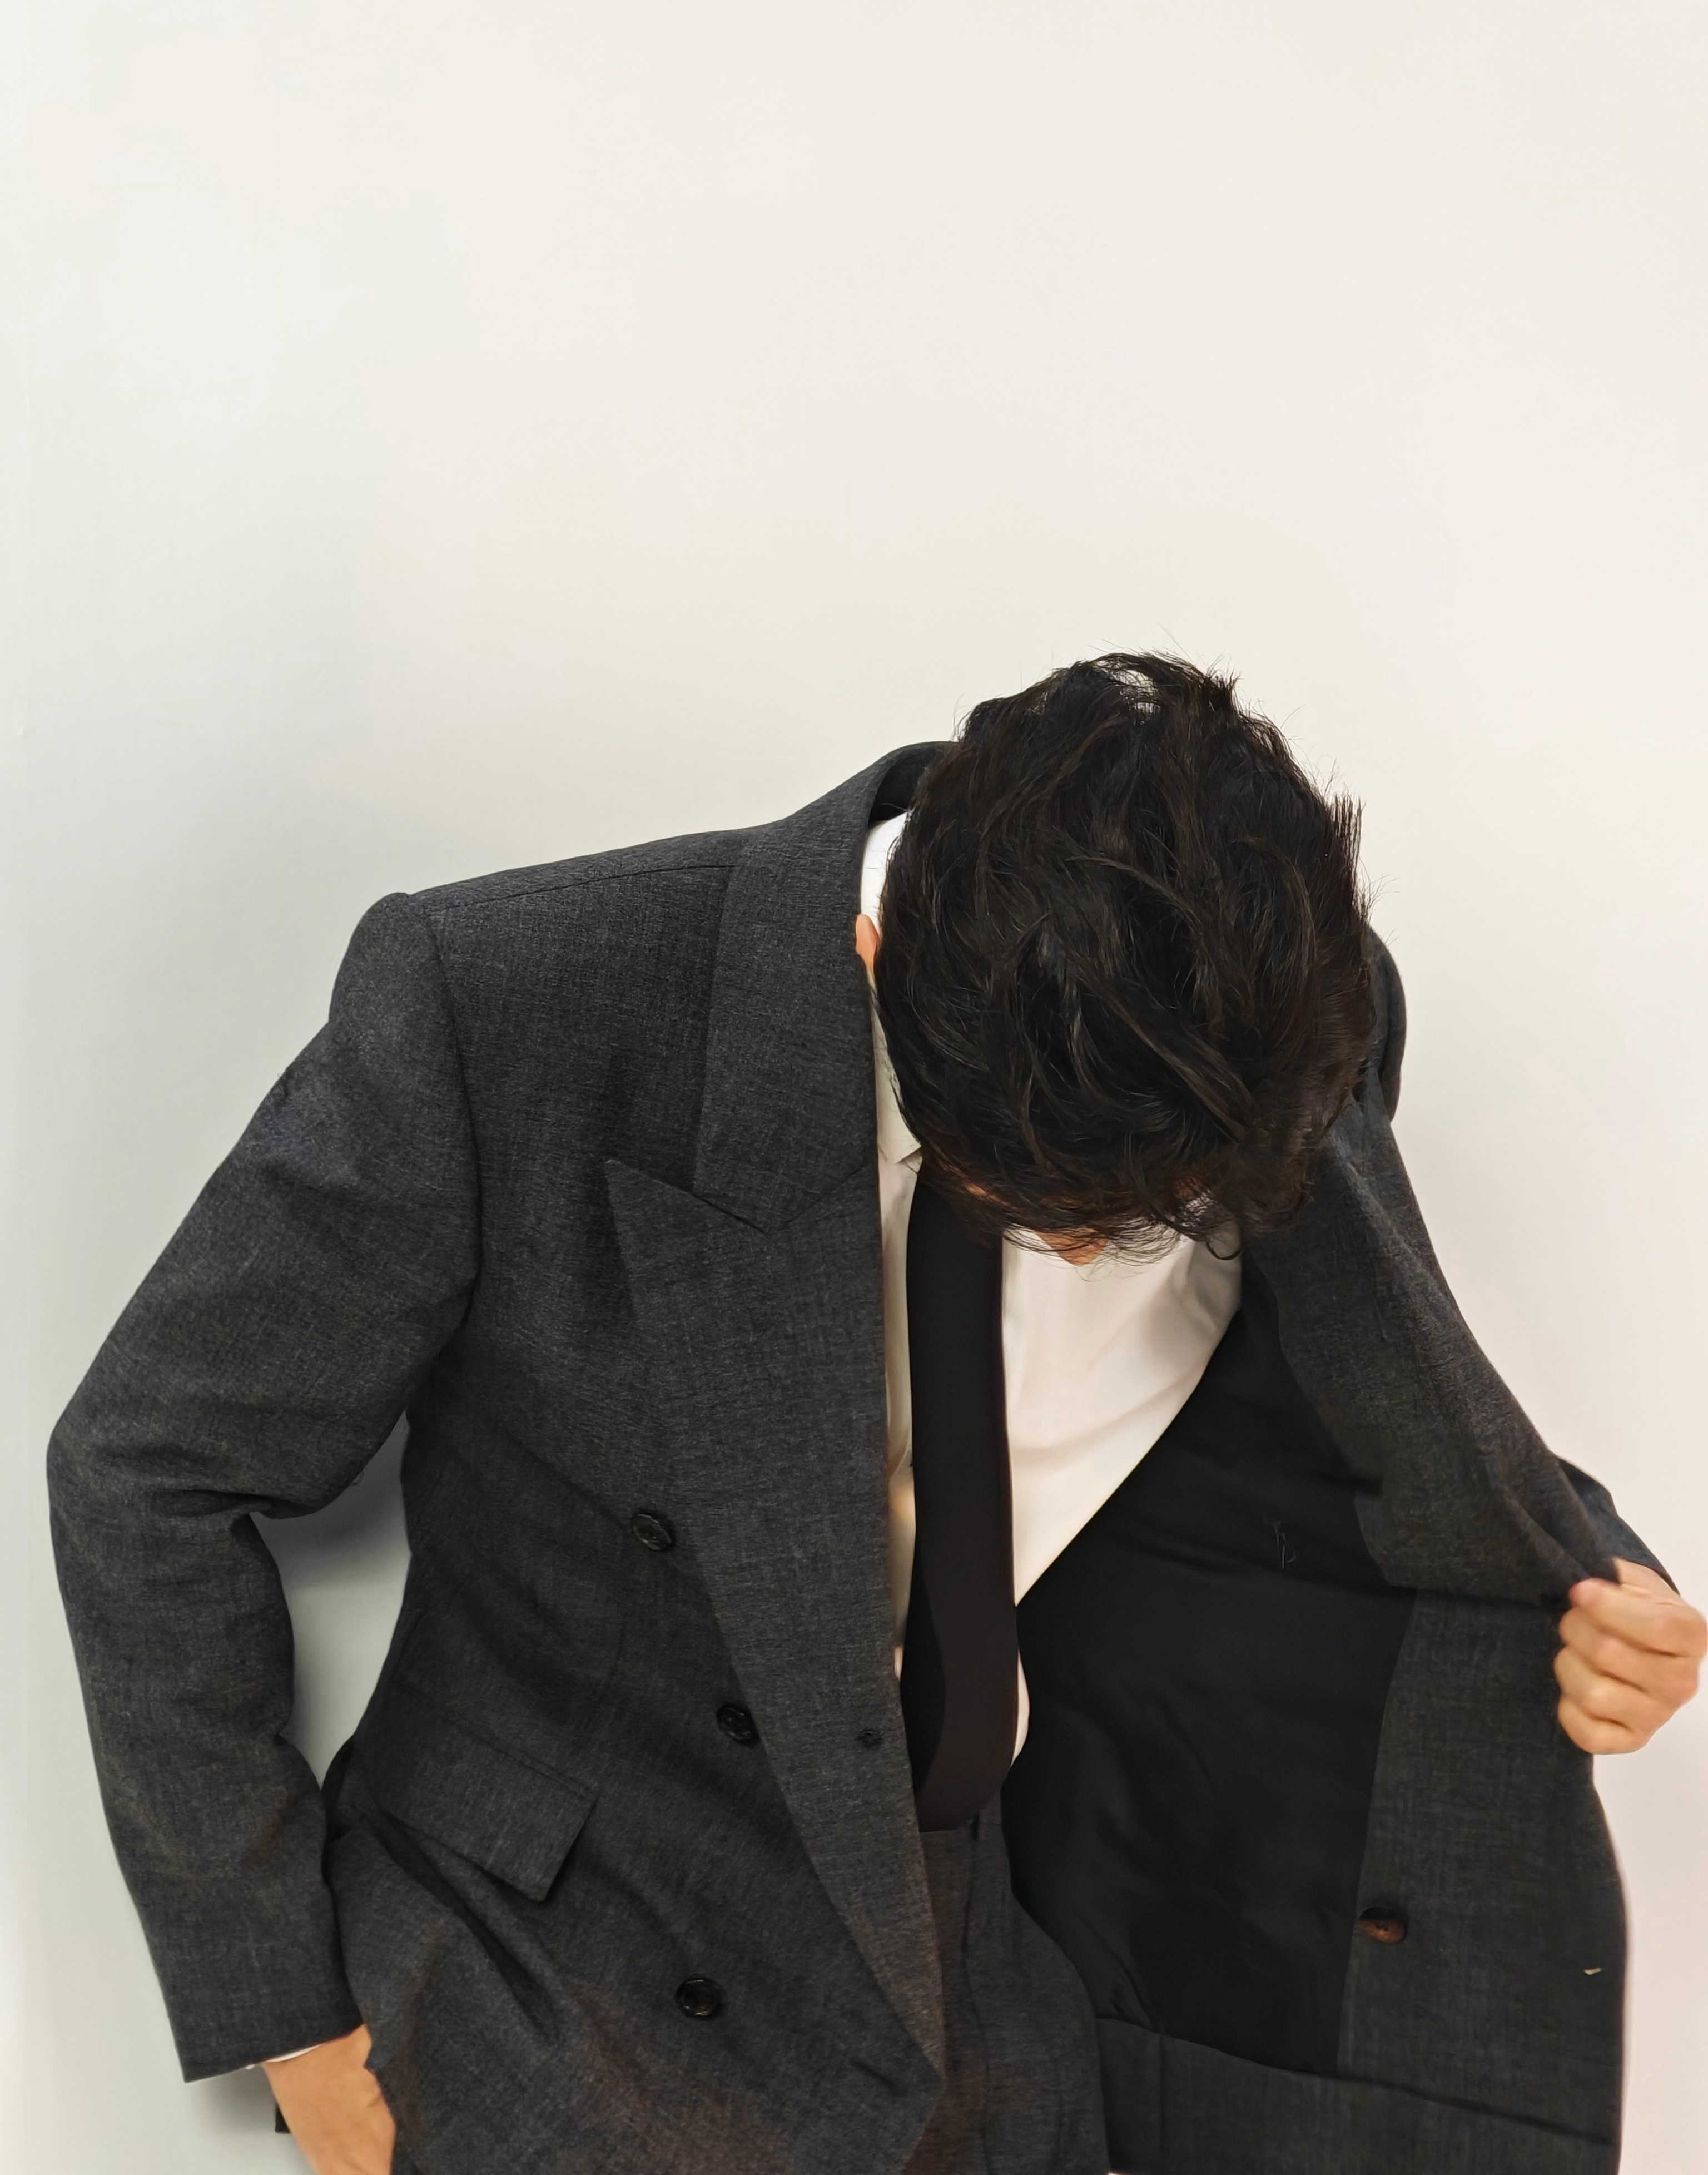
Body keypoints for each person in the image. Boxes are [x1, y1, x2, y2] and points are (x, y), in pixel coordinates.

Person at [49, 655, 1702, 2175]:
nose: (1091, 1255)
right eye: (1040, 1204)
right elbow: (149, 1468)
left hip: (1034, 1945)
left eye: (1154, 1218)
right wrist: (283, 2007)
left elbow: (1352, 1386)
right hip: (574, 1975)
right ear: (873, 955)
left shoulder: (1272, 1021)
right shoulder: (511, 1005)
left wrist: (1579, 1567)